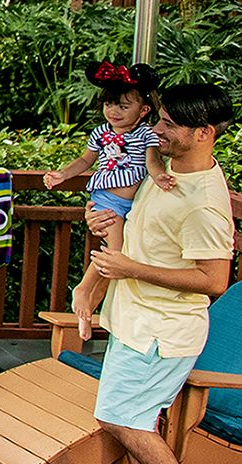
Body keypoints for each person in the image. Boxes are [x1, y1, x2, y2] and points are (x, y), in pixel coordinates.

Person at [74, 83, 238, 464]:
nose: (156, 129)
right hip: (134, 320)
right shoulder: (163, 172)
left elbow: (213, 280)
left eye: (168, 124)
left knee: (120, 417)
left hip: (164, 332)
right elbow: (129, 233)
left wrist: (129, 269)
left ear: (203, 132)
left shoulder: (203, 203)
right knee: (137, 417)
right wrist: (94, 275)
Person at [49, 62, 168, 339]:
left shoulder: (147, 134)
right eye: (109, 105)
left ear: (144, 110)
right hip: (108, 200)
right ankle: (83, 290)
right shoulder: (100, 133)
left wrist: (160, 177)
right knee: (115, 253)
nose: (114, 111)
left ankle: (87, 310)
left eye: (123, 106)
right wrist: (62, 175)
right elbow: (85, 161)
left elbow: (153, 162)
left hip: (133, 206)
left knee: (117, 257)